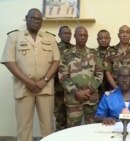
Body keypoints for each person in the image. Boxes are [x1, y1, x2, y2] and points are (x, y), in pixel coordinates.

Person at [1, 8, 60, 141]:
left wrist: (44, 80)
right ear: (26, 18)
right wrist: (28, 82)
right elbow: (8, 61)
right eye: (33, 18)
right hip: (23, 87)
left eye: (39, 19)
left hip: (45, 87)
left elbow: (56, 61)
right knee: (24, 126)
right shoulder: (14, 36)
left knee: (48, 125)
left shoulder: (49, 38)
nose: (36, 21)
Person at [58, 26, 103, 127]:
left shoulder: (94, 54)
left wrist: (88, 90)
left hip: (91, 99)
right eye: (80, 35)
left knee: (92, 129)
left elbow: (99, 74)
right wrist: (76, 92)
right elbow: (63, 76)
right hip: (73, 99)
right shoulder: (66, 55)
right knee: (72, 130)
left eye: (85, 35)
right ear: (74, 36)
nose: (83, 37)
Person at [104, 25, 130, 89]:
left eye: (127, 32)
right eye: (122, 32)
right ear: (118, 35)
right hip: (115, 88)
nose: (125, 35)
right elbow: (107, 72)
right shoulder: (110, 51)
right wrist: (116, 88)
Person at [54, 26, 74, 131]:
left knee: (72, 119)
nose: (67, 35)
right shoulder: (54, 48)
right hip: (59, 90)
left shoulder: (74, 48)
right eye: (65, 33)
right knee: (60, 118)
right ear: (59, 35)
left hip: (72, 90)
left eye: (69, 33)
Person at [96, 29, 112, 98]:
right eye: (101, 38)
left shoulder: (115, 52)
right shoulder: (92, 53)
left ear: (110, 39)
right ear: (97, 39)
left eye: (106, 38)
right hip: (97, 87)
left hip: (112, 86)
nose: (103, 40)